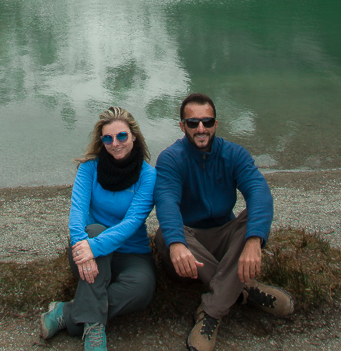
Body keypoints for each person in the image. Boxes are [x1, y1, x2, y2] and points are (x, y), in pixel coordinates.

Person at [154, 93, 293, 351]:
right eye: (193, 123)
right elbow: (166, 203)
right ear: (182, 126)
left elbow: (259, 192)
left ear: (216, 124)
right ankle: (244, 288)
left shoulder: (234, 154)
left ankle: (211, 312)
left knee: (253, 217)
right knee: (165, 234)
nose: (201, 128)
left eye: (207, 121)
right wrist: (176, 244)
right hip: (190, 244)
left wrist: (253, 241)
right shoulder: (170, 159)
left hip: (224, 236)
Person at [40, 106, 156, 350]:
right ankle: (94, 328)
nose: (116, 143)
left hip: (131, 252)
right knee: (94, 229)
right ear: (101, 141)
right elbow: (77, 213)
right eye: (108, 138)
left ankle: (66, 312)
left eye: (122, 136)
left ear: (134, 136)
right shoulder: (89, 169)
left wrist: (94, 247)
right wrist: (86, 245)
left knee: (142, 288)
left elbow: (132, 223)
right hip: (88, 247)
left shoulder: (148, 176)